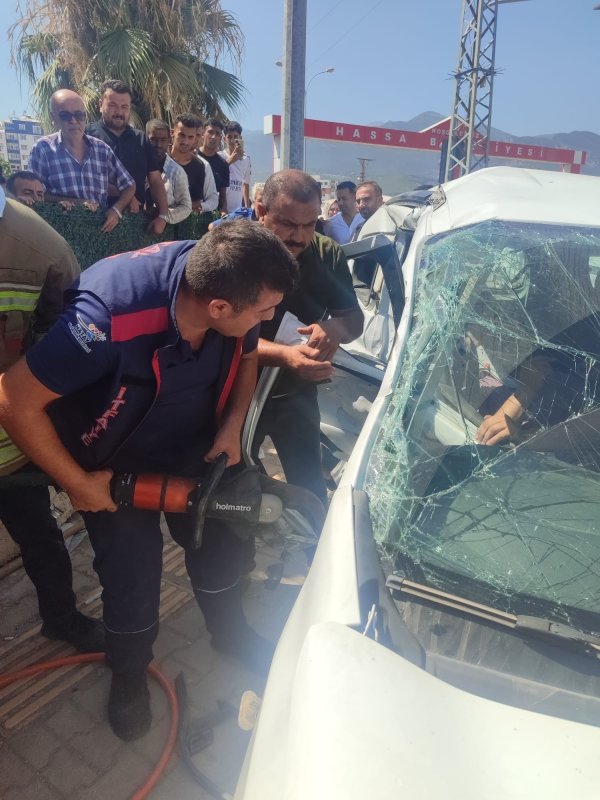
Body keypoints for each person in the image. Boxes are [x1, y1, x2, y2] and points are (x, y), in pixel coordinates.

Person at [0, 220, 297, 741]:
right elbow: (11, 400)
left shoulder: (231, 277)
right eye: (265, 310)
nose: (271, 318)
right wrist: (76, 482)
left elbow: (247, 356)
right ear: (219, 309)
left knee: (219, 547)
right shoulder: (104, 320)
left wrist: (231, 426)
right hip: (114, 466)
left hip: (197, 448)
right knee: (132, 580)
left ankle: (230, 634)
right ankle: (130, 673)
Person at [0, 186, 104, 652]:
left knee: (42, 539)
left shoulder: (42, 249)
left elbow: (62, 354)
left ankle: (61, 619)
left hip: (13, 446)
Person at [254, 170, 364, 504]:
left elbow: (354, 320)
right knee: (231, 479)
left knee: (309, 486)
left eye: (309, 224)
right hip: (238, 392)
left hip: (297, 395)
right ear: (261, 211)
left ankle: (311, 550)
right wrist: (285, 356)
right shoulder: (237, 251)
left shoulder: (327, 253)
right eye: (288, 224)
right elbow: (221, 335)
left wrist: (334, 329)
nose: (299, 238)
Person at [29, 89, 136, 233]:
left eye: (79, 115)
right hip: (58, 233)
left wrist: (116, 210)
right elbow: (33, 194)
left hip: (99, 234)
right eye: (65, 115)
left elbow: (129, 185)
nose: (73, 121)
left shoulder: (101, 149)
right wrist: (73, 202)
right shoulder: (42, 149)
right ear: (53, 117)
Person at [87, 80, 169, 237]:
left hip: (136, 223)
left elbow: (156, 181)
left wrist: (163, 216)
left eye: (124, 107)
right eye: (112, 105)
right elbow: (87, 179)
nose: (119, 111)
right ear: (100, 104)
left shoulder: (141, 139)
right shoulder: (87, 135)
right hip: (98, 220)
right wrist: (125, 195)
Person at [145, 119, 192, 224]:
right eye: (153, 139)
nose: (158, 145)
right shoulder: (137, 166)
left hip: (163, 232)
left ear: (169, 140)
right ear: (145, 139)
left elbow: (186, 206)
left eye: (163, 140)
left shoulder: (177, 172)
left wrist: (163, 218)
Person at [170, 114, 218, 213]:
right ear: (172, 132)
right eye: (182, 135)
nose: (185, 141)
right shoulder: (159, 161)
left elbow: (212, 199)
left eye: (190, 137)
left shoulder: (202, 166)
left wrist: (198, 207)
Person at [198, 118, 230, 213]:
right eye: (210, 132)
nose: (213, 137)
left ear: (220, 138)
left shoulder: (223, 165)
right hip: (190, 213)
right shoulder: (192, 157)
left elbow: (223, 194)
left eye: (217, 134)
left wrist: (224, 210)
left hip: (212, 216)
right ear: (203, 134)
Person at [219, 121, 251, 211]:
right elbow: (215, 176)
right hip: (220, 209)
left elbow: (246, 183)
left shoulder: (246, 159)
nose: (232, 140)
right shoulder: (219, 156)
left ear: (240, 138)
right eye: (229, 137)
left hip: (236, 210)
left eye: (235, 137)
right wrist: (230, 160)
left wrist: (247, 207)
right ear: (224, 139)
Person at [323, 180, 362, 245]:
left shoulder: (364, 220)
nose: (340, 203)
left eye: (344, 199)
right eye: (339, 199)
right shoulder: (330, 224)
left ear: (355, 197)